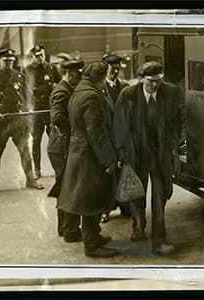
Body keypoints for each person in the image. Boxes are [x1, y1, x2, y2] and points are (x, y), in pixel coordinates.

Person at [114, 61, 183, 255]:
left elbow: (179, 120)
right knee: (137, 191)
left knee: (160, 194)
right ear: (141, 78)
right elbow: (119, 125)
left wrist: (176, 149)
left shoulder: (171, 92)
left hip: (161, 153)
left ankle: (159, 241)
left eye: (158, 81)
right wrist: (122, 152)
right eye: (151, 81)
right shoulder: (127, 95)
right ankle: (138, 226)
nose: (155, 85)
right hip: (136, 153)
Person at [57, 61, 119, 258]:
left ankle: (95, 236)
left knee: (86, 197)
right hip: (89, 156)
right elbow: (96, 133)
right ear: (99, 78)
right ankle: (92, 245)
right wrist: (108, 159)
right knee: (92, 198)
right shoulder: (92, 96)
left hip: (79, 151)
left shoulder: (78, 91)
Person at [0, 48, 44, 196]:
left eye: (11, 61)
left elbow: (29, 97)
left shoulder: (20, 77)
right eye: (5, 61)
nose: (8, 63)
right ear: (0, 61)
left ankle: (30, 180)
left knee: (26, 153)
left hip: (18, 122)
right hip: (0, 122)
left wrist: (29, 109)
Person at [46, 59, 85, 240]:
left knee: (64, 187)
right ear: (69, 74)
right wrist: (76, 125)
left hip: (60, 145)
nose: (79, 79)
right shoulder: (62, 91)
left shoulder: (66, 88)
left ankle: (64, 228)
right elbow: (57, 117)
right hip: (61, 147)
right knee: (68, 187)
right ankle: (69, 230)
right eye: (77, 76)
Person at [22, 45, 62, 180]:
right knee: (36, 141)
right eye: (37, 55)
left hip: (50, 110)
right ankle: (37, 170)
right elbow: (24, 91)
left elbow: (61, 84)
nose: (40, 58)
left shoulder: (52, 68)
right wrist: (27, 107)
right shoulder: (27, 70)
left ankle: (58, 169)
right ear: (33, 56)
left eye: (42, 55)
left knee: (55, 141)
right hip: (36, 111)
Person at [100, 54, 131, 223]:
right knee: (107, 176)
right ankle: (105, 209)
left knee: (124, 172)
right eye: (113, 69)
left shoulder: (125, 87)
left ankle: (125, 206)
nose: (116, 72)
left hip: (122, 137)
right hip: (107, 138)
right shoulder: (98, 89)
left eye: (118, 69)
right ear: (105, 69)